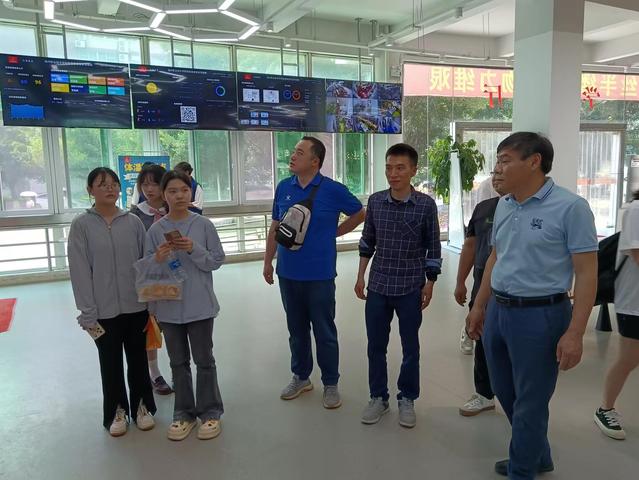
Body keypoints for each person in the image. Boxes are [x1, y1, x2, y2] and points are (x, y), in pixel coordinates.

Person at [466, 132, 598, 479]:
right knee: (504, 391)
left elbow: (587, 274)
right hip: (499, 311)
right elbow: (496, 256)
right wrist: (479, 305)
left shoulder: (571, 208)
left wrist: (575, 333)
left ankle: (522, 470)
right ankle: (538, 454)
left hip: (542, 316)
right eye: (498, 161)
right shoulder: (505, 205)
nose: (497, 168)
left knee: (531, 400)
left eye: (505, 160)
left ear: (534, 162)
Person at [263, 136, 365, 409]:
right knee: (296, 330)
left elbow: (359, 213)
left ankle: (331, 383)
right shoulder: (284, 187)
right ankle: (301, 377)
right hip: (288, 272)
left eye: (299, 152)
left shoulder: (333, 190)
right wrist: (268, 261)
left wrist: (335, 232)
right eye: (293, 151)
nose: (292, 156)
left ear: (315, 161)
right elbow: (275, 227)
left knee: (324, 330)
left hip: (320, 274)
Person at [355, 143, 441, 428]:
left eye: (400, 168)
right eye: (389, 168)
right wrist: (360, 276)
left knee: (410, 347)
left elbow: (433, 247)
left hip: (410, 286)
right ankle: (378, 397)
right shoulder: (376, 201)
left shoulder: (425, 205)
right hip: (379, 284)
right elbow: (367, 241)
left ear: (413, 170)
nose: (393, 173)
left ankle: (407, 398)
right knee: (375, 346)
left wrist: (430, 283)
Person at [68, 167, 156, 437]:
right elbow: (80, 271)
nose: (110, 188)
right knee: (110, 363)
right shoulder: (82, 226)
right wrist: (88, 311)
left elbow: (146, 264)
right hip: (102, 310)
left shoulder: (133, 223)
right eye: (102, 184)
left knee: (138, 360)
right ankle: (116, 411)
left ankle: (142, 407)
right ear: (90, 190)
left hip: (136, 306)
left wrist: (150, 302)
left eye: (114, 184)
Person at [144, 170, 225, 441]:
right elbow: (147, 270)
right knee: (178, 362)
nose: (179, 195)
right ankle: (184, 413)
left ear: (191, 193)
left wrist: (193, 248)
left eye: (184, 190)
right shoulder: (156, 230)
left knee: (204, 360)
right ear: (163, 195)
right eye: (172, 191)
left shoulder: (203, 225)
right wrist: (157, 259)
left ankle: (210, 412)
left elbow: (216, 260)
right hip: (168, 307)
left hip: (200, 305)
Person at [454, 174, 506, 416]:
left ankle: (515, 397)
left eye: (504, 166)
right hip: (482, 281)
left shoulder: (530, 209)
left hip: (514, 286)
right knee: (481, 338)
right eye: (496, 170)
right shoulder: (484, 208)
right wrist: (460, 282)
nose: (498, 175)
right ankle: (484, 394)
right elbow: (470, 246)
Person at [594, 190, 639, 440]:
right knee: (628, 359)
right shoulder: (636, 210)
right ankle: (605, 409)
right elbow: (637, 254)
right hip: (633, 303)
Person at [130, 163, 173, 396]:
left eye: (154, 183)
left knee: (173, 324)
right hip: (148, 277)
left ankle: (179, 368)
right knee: (151, 327)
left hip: (175, 276)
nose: (149, 189)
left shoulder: (174, 210)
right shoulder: (135, 215)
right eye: (144, 184)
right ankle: (154, 373)